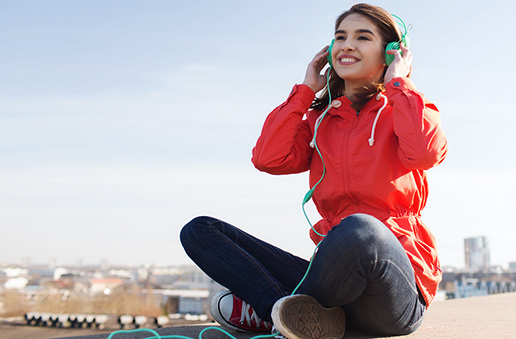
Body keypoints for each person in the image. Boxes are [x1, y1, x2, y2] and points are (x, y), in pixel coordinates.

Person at [180, 3, 447, 339]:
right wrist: (306, 91)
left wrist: (399, 83)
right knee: (200, 230)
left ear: (390, 53)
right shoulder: (320, 120)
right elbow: (268, 159)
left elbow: (425, 152)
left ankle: (276, 310)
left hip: (392, 291)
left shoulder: (405, 108)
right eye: (340, 37)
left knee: (361, 228)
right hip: (333, 282)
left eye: (362, 37)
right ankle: (282, 311)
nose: (347, 45)